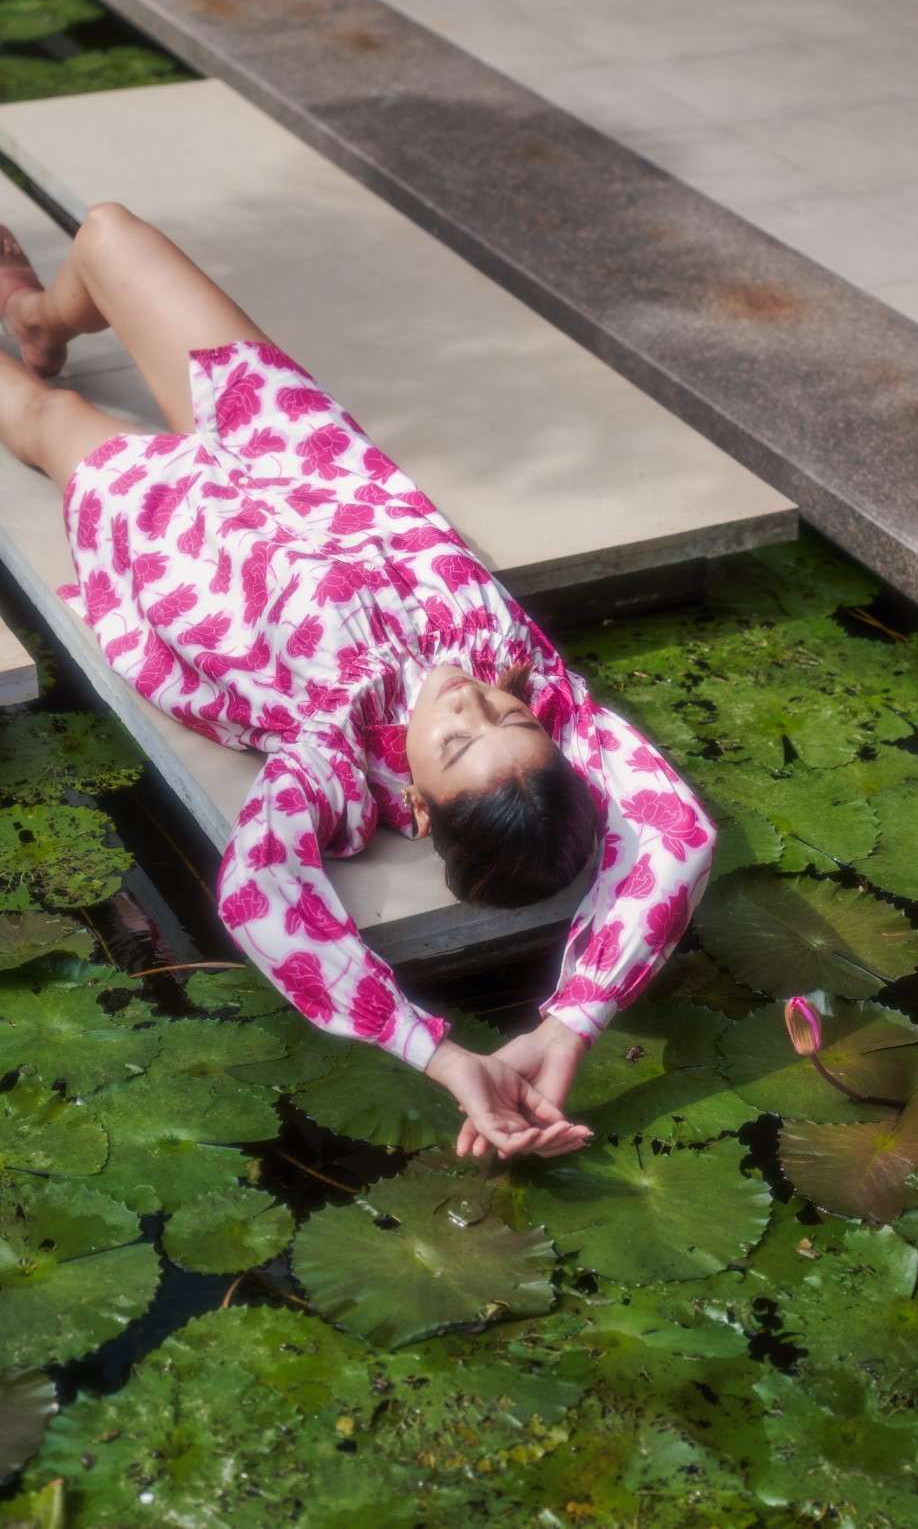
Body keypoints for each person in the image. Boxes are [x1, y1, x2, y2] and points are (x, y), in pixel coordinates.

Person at [0, 205, 718, 1163]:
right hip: (300, 449)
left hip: (173, 533)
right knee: (108, 237)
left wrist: (436, 1049)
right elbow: (679, 837)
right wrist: (576, 1019)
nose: (475, 698)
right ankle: (43, 316)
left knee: (40, 414)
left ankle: (31, 350)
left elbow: (262, 895)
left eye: (461, 739)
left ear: (416, 807)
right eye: (509, 715)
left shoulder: (331, 762)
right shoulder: (545, 691)